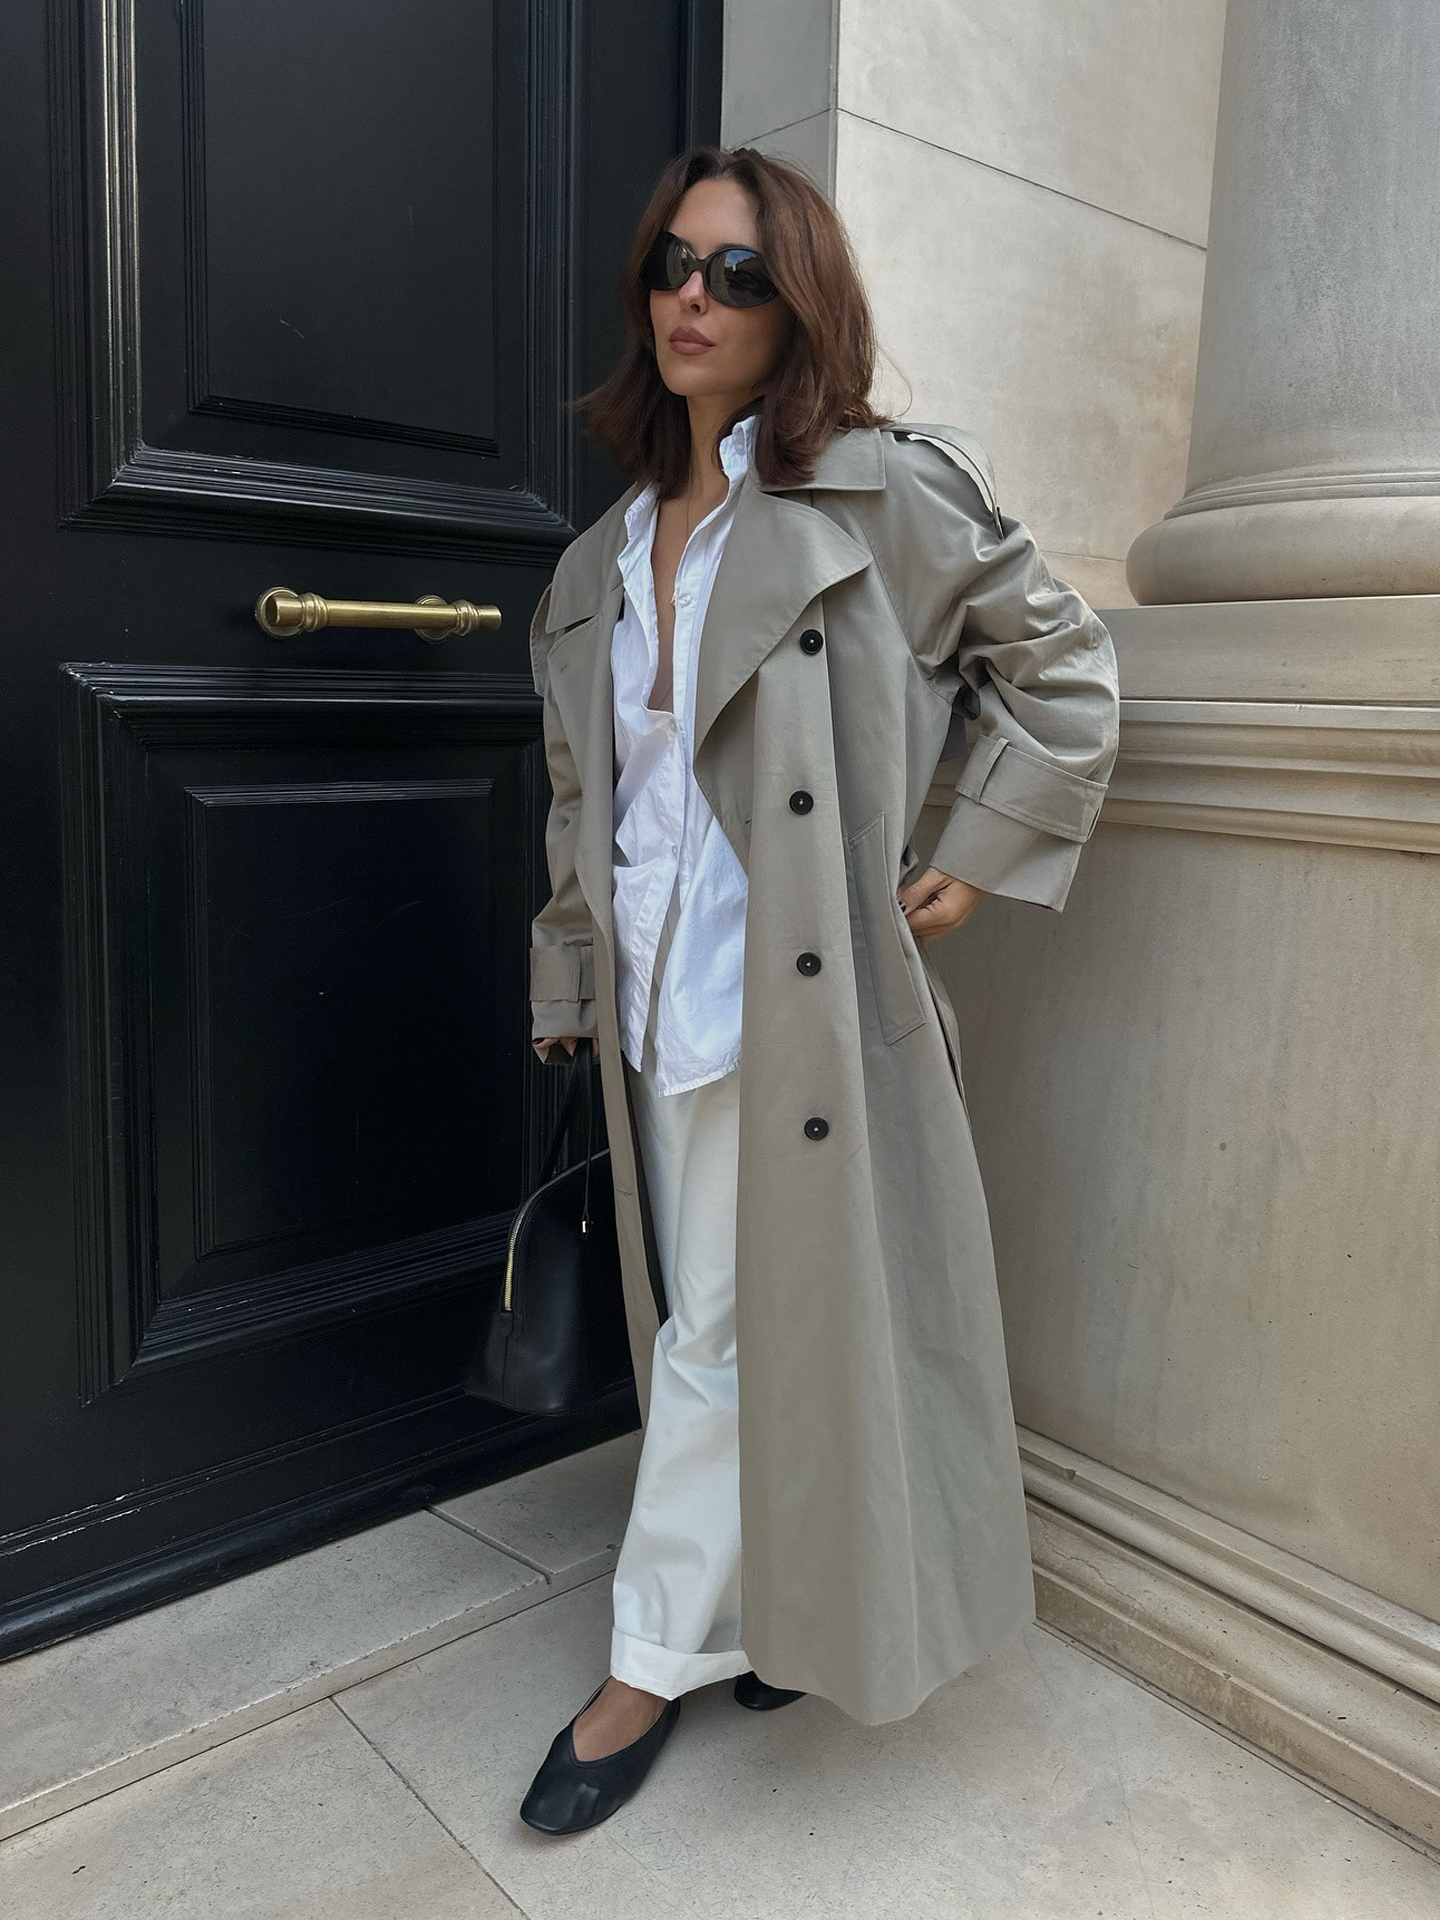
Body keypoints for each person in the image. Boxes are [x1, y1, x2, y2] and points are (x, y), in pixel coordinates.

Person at [519, 143, 1121, 1835]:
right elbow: (590, 804)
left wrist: (975, 842)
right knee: (726, 1313)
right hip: (659, 995)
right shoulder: (597, 562)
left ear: (802, 307)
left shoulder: (882, 493)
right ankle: (765, 1610)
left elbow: (1061, 666)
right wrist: (571, 971)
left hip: (794, 997)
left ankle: (647, 1660)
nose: (692, 301)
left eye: (738, 275)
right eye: (672, 267)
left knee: (714, 1326)